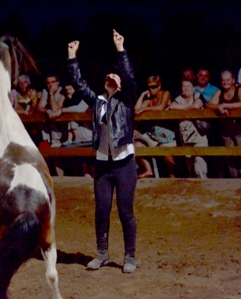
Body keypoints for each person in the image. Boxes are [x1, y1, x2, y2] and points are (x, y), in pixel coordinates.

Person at [67, 29, 139, 273]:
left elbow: (128, 76)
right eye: (107, 75)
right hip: (103, 164)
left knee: (126, 211)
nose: (110, 77)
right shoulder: (98, 101)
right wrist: (72, 58)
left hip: (124, 163)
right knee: (101, 210)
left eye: (114, 75)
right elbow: (78, 84)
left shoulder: (127, 98)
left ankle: (130, 257)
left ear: (119, 83)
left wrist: (121, 50)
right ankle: (102, 253)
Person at [134, 75, 176, 178]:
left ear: (159, 86)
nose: (151, 89)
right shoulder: (149, 99)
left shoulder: (165, 94)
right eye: (149, 87)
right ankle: (148, 170)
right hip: (153, 132)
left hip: (166, 132)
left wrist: (145, 109)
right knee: (136, 146)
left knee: (168, 159)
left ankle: (173, 179)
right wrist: (143, 95)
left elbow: (161, 107)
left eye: (154, 87)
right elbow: (137, 109)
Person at [170, 79, 209, 178]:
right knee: (190, 167)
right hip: (186, 138)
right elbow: (172, 107)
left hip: (199, 136)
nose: (186, 88)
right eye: (184, 86)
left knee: (199, 164)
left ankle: (203, 189)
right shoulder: (179, 99)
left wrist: (183, 108)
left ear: (193, 88)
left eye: (189, 86)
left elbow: (196, 106)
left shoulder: (197, 96)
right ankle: (194, 191)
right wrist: (186, 107)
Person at [207, 70, 241, 178]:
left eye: (228, 80)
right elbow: (209, 104)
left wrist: (226, 105)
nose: (225, 82)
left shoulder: (239, 90)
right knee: (231, 161)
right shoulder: (220, 92)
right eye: (223, 80)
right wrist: (218, 107)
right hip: (226, 132)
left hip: (239, 131)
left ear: (233, 80)